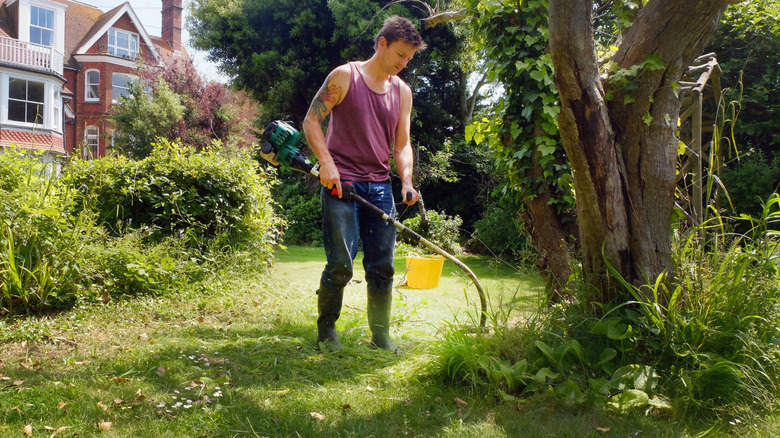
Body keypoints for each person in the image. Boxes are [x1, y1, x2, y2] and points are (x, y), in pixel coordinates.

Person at [302, 15, 426, 353]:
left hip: (380, 187)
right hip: (341, 184)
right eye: (400, 55)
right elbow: (312, 121)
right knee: (341, 264)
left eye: (409, 59)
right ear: (382, 43)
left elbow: (402, 144)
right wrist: (326, 164)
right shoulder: (345, 77)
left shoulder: (402, 92)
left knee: (383, 267)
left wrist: (407, 181)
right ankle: (326, 331)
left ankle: (380, 336)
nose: (403, 64)